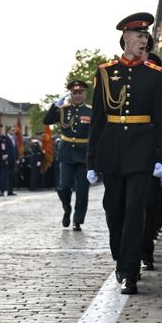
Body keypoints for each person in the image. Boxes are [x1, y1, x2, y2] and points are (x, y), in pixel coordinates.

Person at [88, 13, 162, 294]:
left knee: (136, 210)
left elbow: (161, 120)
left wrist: (161, 159)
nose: (143, 40)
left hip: (142, 149)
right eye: (138, 35)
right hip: (112, 149)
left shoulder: (154, 74)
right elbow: (98, 118)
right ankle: (120, 257)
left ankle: (130, 270)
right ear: (125, 37)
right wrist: (92, 161)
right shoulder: (105, 72)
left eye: (146, 35)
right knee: (114, 210)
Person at [44, 80, 93, 228]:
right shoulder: (63, 110)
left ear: (85, 94)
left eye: (80, 93)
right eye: (74, 93)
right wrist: (55, 107)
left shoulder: (91, 111)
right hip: (67, 153)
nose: (77, 95)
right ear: (70, 94)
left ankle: (78, 220)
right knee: (64, 186)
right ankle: (67, 208)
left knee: (82, 190)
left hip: (84, 153)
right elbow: (47, 120)